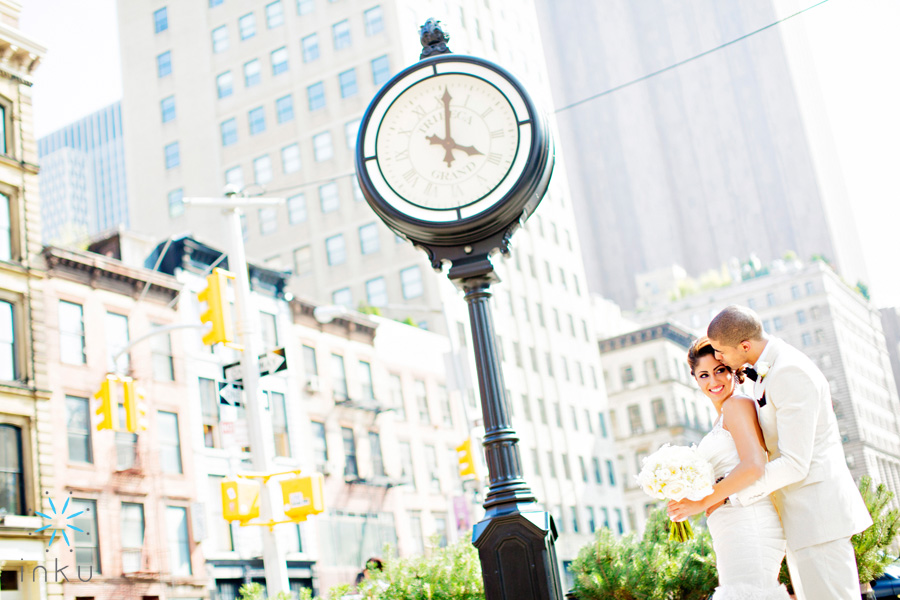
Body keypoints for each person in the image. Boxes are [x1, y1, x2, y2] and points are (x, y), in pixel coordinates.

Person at [698, 305, 870, 600]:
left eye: (721, 352)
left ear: (745, 346)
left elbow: (794, 463)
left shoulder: (789, 370)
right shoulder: (771, 370)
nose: (720, 359)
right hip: (801, 519)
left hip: (818, 517)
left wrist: (729, 496)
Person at [668, 337, 790, 599]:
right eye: (704, 375)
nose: (713, 381)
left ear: (733, 370)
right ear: (696, 379)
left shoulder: (737, 405)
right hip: (729, 524)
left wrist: (700, 503)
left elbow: (753, 466)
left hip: (749, 518)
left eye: (719, 370)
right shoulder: (721, 416)